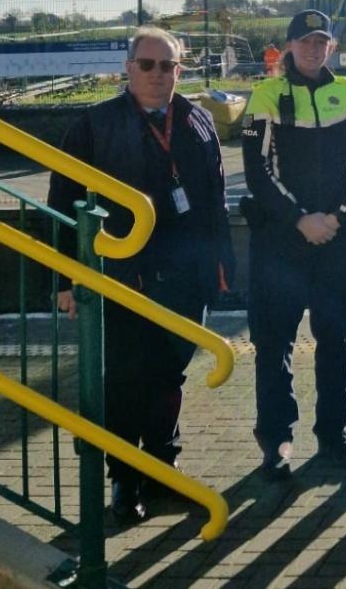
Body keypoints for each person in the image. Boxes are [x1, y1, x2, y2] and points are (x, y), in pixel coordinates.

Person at [49, 27, 234, 523]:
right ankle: (123, 480)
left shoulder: (197, 119)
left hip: (187, 274)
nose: (158, 75)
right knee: (128, 380)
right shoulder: (93, 124)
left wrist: (220, 268)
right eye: (148, 65)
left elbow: (215, 201)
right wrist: (63, 280)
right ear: (128, 69)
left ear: (181, 69)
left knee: (169, 374)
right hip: (125, 275)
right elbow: (62, 203)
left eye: (168, 66)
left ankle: (162, 471)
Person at [241, 9, 346, 480]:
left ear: (331, 48)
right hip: (281, 240)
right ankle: (276, 440)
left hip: (336, 239)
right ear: (290, 46)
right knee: (273, 343)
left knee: (335, 341)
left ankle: (334, 434)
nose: (314, 49)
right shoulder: (265, 96)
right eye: (305, 41)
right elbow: (258, 173)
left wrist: (335, 219)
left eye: (322, 42)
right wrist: (300, 219)